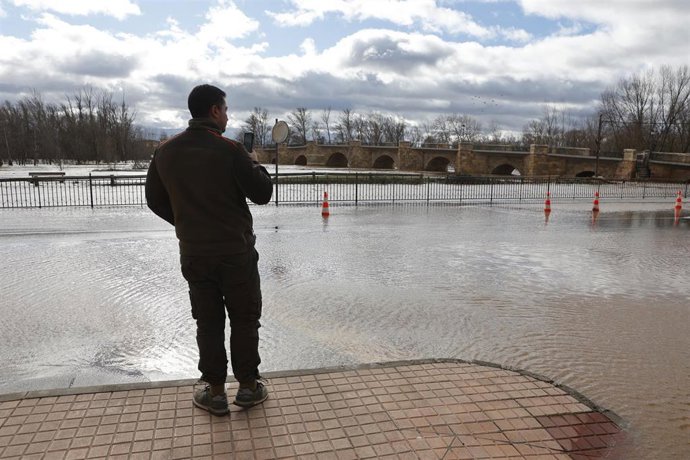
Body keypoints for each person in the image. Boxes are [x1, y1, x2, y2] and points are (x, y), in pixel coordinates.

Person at [145, 84, 273, 416]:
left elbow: (154, 201)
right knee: (244, 319)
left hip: (194, 253)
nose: (228, 116)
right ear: (215, 111)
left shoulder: (165, 151)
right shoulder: (230, 149)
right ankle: (247, 387)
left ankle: (215, 392)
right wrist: (255, 163)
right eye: (226, 109)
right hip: (236, 253)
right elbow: (261, 193)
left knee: (208, 321)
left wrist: (187, 225)